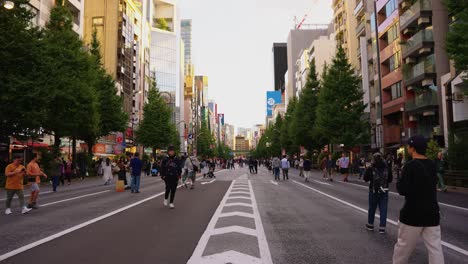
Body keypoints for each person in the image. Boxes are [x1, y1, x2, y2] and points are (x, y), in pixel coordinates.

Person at [393, 135, 444, 264]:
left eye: (409, 146)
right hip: (432, 212)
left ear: (412, 148)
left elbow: (402, 189)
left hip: (412, 213)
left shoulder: (410, 166)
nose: (407, 148)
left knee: (403, 248)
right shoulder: (432, 165)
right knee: (435, 248)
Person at [364, 152, 392, 234]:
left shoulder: (371, 167)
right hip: (384, 190)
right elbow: (390, 179)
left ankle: (370, 225)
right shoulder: (387, 167)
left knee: (372, 208)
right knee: (383, 209)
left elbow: (365, 179)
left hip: (374, 190)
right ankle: (382, 227)